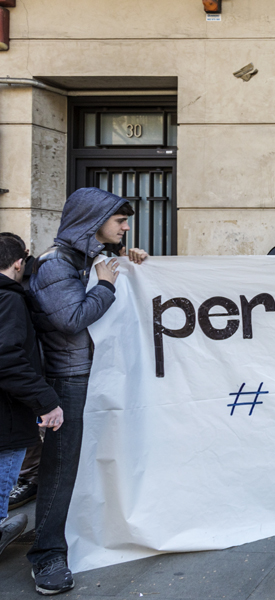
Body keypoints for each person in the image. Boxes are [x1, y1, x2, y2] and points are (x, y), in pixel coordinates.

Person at [27, 188, 148, 595]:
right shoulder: (55, 265)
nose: (126, 227)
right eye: (120, 221)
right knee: (61, 469)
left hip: (98, 375)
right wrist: (107, 285)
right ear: (93, 221)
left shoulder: (86, 259)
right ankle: (46, 555)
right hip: (70, 379)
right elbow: (73, 319)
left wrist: (132, 264)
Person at [0, 234, 62, 561]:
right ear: (18, 263)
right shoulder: (8, 299)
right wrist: (46, 401)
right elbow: (7, 359)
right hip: (7, 418)